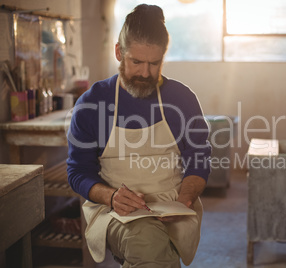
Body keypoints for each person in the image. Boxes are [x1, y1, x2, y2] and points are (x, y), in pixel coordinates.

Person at [66, 4, 211, 267]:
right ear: (119, 52)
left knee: (154, 251)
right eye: (136, 62)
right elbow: (77, 172)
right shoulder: (92, 104)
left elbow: (199, 157)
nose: (145, 73)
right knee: (147, 242)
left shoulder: (182, 99)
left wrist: (184, 199)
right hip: (115, 210)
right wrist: (110, 196)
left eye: (154, 63)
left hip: (174, 206)